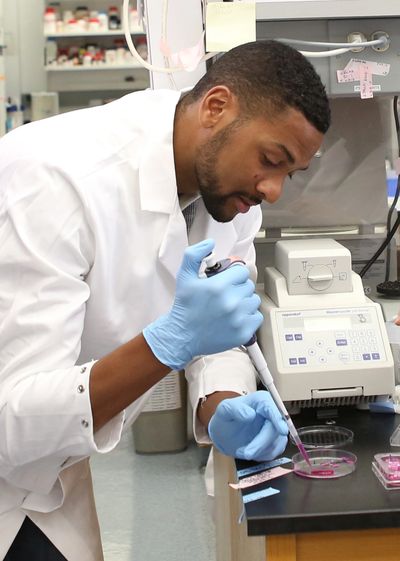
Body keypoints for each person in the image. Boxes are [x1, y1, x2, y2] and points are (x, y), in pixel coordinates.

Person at [0, 39, 330, 560]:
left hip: (54, 473)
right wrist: (168, 343)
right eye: (271, 160)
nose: (273, 190)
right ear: (216, 107)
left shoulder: (231, 197)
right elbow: (11, 418)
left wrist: (224, 401)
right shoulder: (51, 178)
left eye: (290, 173)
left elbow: (219, 333)